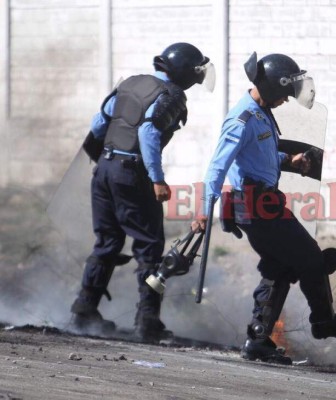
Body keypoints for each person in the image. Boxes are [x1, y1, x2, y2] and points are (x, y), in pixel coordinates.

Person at [192, 52, 336, 364]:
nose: (285, 101)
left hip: (265, 201)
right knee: (310, 256)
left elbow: (260, 158)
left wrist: (291, 161)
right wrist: (204, 210)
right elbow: (217, 168)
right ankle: (324, 322)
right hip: (254, 205)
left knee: (280, 268)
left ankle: (258, 338)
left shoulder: (261, 114)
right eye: (283, 94)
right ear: (270, 87)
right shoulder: (240, 119)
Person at [70, 42, 215, 342]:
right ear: (186, 73)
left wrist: (107, 163)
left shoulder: (131, 83)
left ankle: (84, 310)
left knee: (107, 242)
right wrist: (157, 179)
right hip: (132, 173)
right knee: (150, 247)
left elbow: (99, 124)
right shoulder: (171, 95)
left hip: (105, 171)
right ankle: (147, 320)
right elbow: (148, 132)